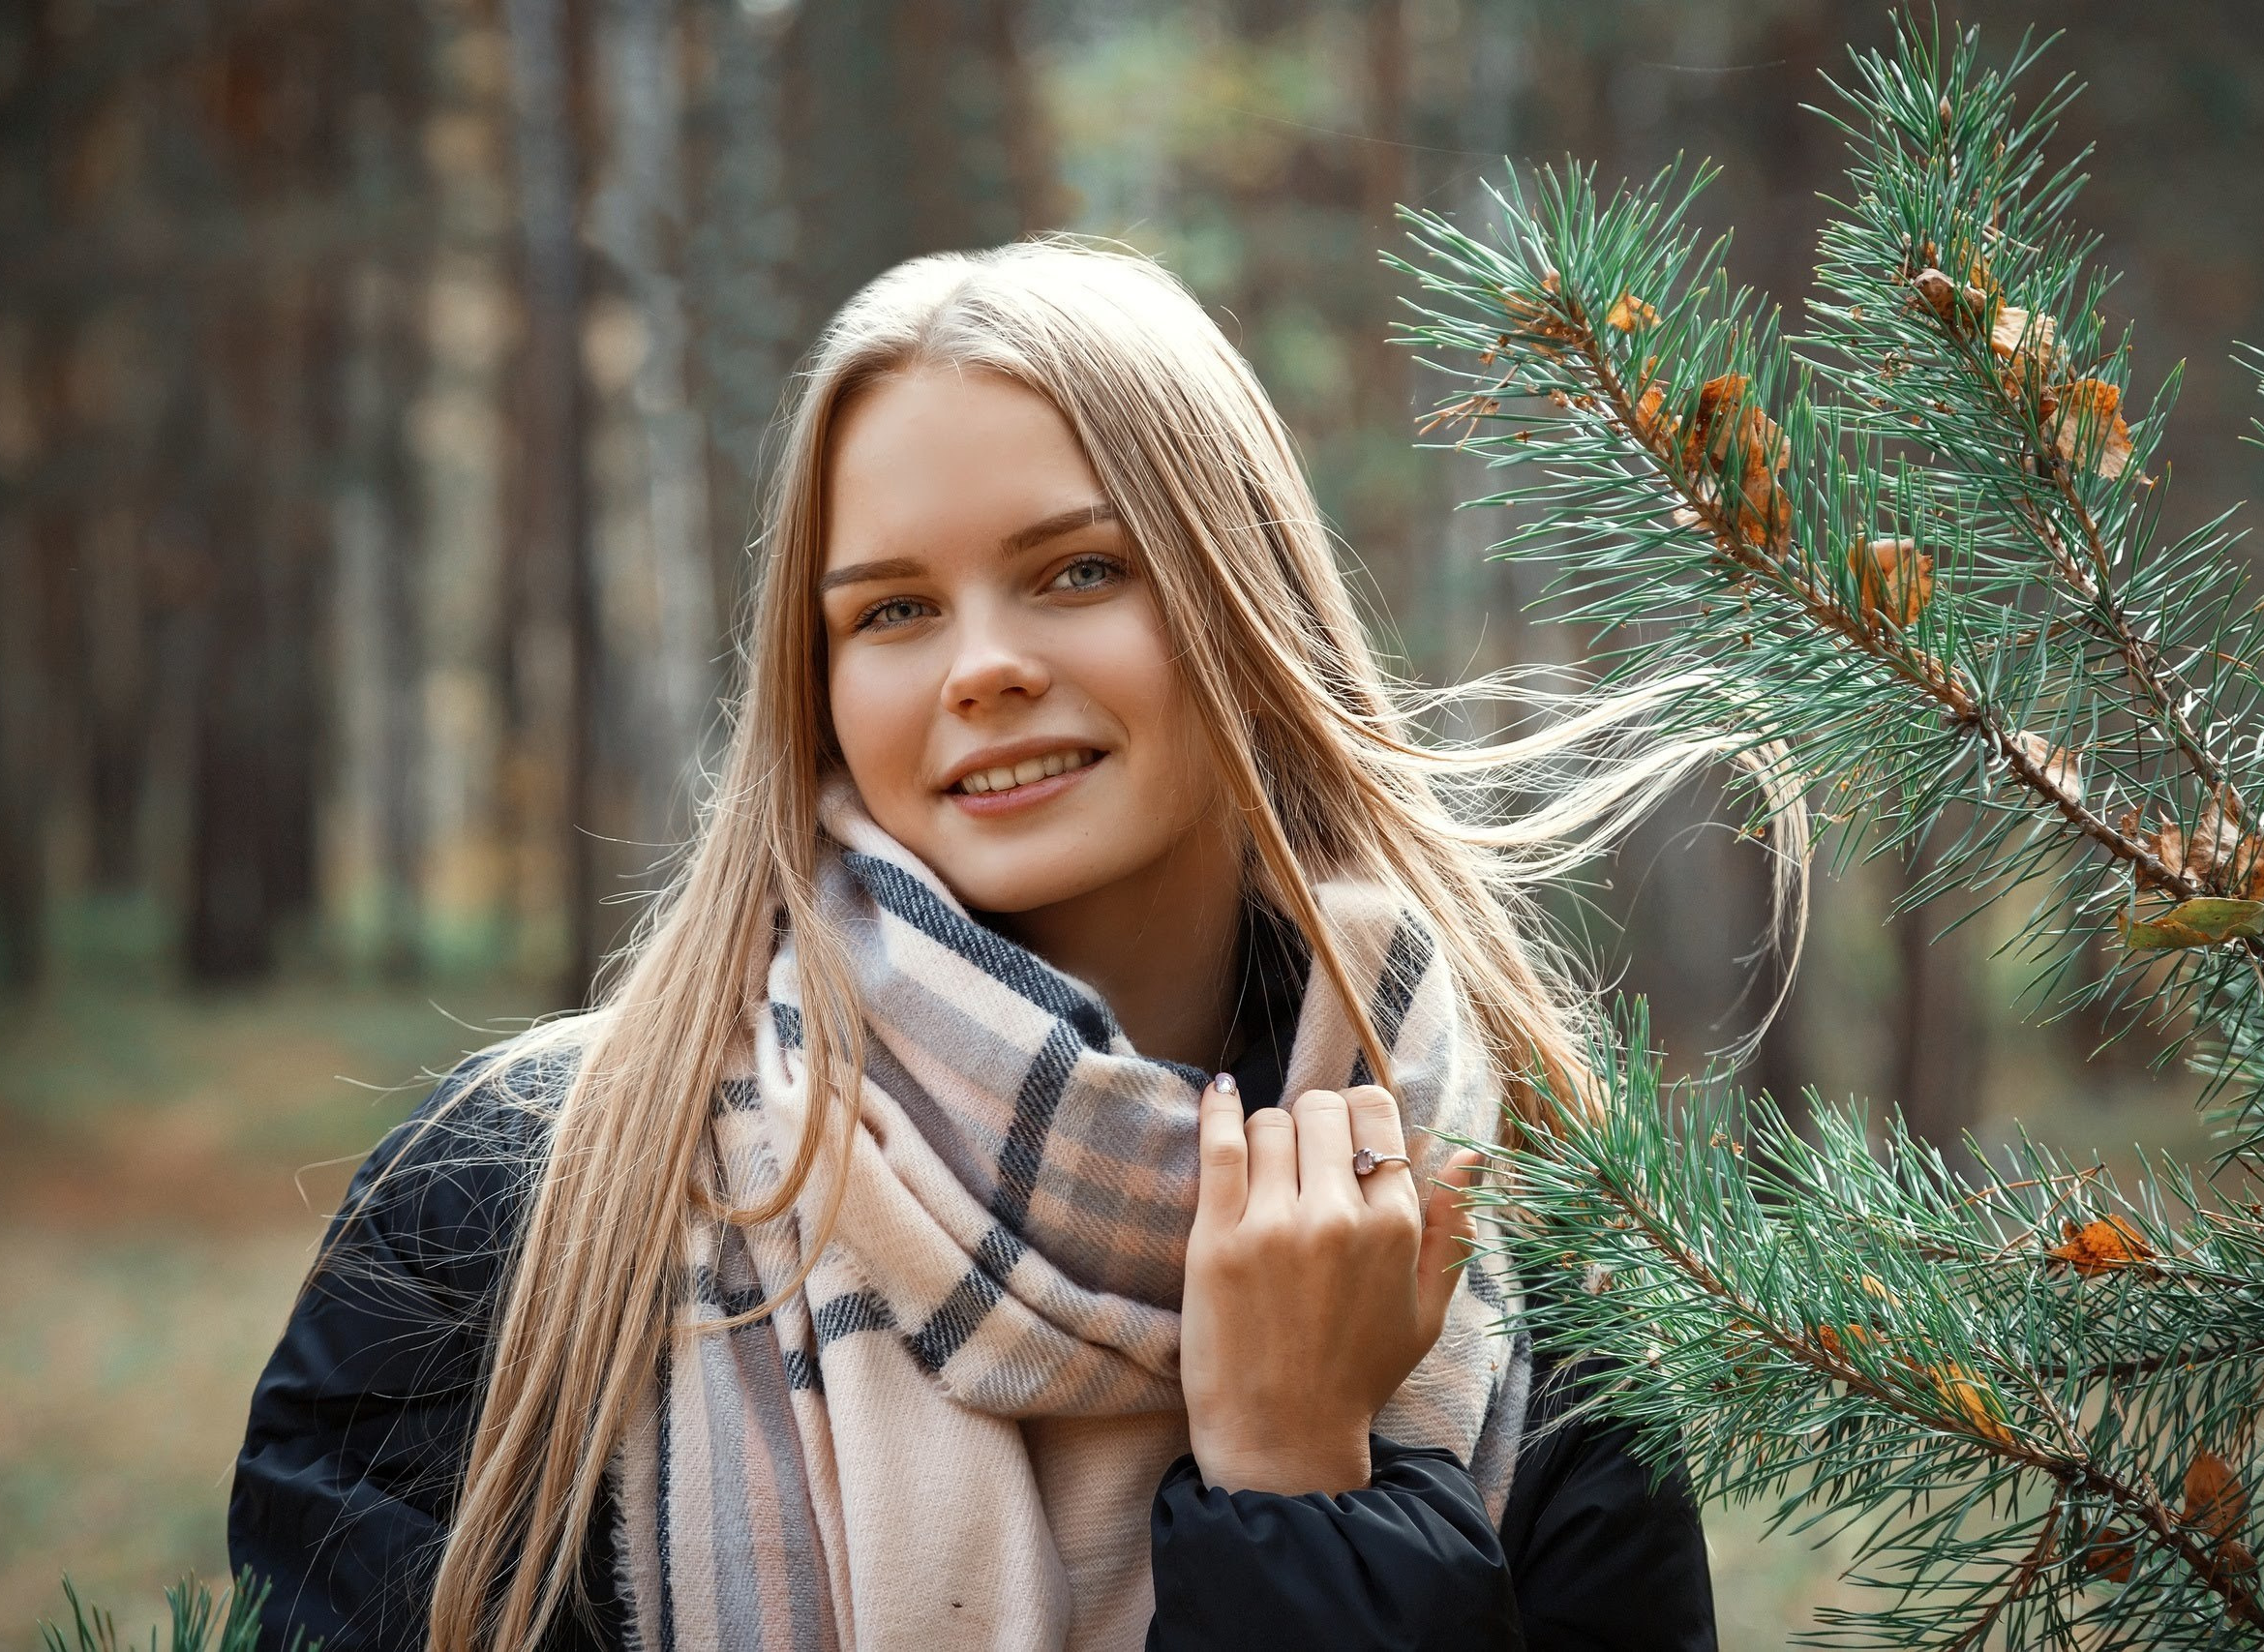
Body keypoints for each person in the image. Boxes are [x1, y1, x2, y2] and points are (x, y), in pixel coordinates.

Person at [228, 240, 1734, 1652]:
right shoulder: (526, 1200)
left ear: (1243, 597)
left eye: (1079, 571)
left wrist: (1296, 1477)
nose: (985, 668)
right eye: (893, 609)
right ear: (820, 687)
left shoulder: (1529, 1264)